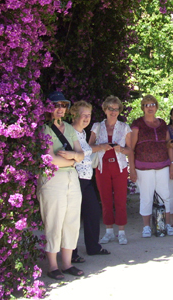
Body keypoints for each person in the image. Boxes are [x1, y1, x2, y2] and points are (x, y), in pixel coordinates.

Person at [37, 91, 84, 280]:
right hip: (52, 180)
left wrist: (73, 157)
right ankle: (53, 265)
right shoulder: (44, 129)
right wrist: (74, 159)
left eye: (63, 105)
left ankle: (67, 263)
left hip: (72, 179)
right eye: (56, 105)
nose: (60, 109)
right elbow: (50, 160)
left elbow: (81, 154)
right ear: (49, 107)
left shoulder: (70, 129)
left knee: (71, 220)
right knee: (54, 221)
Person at [127, 95, 173, 238]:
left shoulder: (162, 124)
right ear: (143, 107)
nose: (150, 107)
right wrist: (131, 168)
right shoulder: (137, 124)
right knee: (146, 197)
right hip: (143, 167)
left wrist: (172, 164)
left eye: (153, 104)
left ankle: (166, 224)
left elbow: (168, 145)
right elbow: (131, 147)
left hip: (163, 165)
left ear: (156, 107)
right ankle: (146, 227)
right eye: (147, 104)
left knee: (165, 196)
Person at [66, 101, 110, 259]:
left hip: (86, 179)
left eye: (89, 115)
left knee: (93, 212)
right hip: (74, 179)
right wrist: (99, 147)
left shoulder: (83, 133)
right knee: (74, 217)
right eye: (83, 115)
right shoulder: (68, 131)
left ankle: (93, 247)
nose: (86, 118)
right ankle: (71, 253)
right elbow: (78, 153)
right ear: (75, 115)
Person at [90, 96, 133, 245]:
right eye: (110, 109)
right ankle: (109, 231)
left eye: (116, 109)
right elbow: (88, 147)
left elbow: (129, 150)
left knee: (120, 199)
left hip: (119, 166)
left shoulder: (125, 127)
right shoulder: (97, 126)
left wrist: (121, 149)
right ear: (105, 109)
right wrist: (101, 146)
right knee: (105, 199)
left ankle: (121, 232)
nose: (113, 112)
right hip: (102, 166)